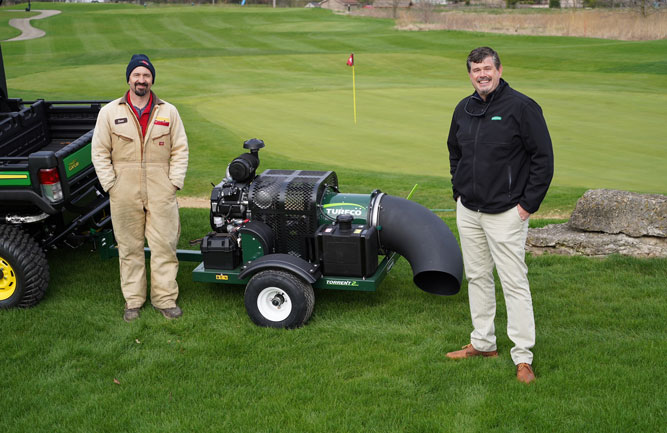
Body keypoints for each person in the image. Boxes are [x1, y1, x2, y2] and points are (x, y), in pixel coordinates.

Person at [445, 47, 554, 384]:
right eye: (476, 70)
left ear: (499, 69)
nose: (483, 74)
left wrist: (527, 205)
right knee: (477, 277)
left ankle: (523, 357)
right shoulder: (463, 109)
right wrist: (458, 191)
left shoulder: (521, 107)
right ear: (470, 74)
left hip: (507, 212)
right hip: (469, 211)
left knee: (514, 283)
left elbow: (543, 159)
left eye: (488, 68)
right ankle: (483, 342)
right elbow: (455, 153)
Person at [92, 54, 189, 322]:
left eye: (146, 75)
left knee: (164, 245)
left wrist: (173, 182)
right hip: (123, 191)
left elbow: (180, 149)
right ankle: (133, 301)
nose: (141, 80)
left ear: (152, 80)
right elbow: (99, 152)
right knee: (129, 247)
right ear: (129, 79)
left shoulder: (168, 111)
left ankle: (165, 299)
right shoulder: (110, 112)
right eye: (137, 75)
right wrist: (111, 184)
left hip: (161, 190)